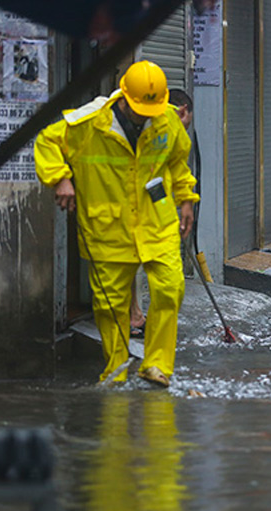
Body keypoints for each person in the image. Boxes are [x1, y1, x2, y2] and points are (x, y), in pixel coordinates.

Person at [35, 60, 198, 387]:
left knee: (170, 289)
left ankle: (157, 365)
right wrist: (60, 178)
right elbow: (46, 141)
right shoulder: (89, 123)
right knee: (111, 305)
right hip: (107, 226)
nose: (147, 115)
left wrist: (186, 200)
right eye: (141, 109)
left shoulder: (166, 119)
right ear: (123, 96)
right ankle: (117, 366)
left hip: (157, 221)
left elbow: (178, 161)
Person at [130, 87, 194, 338]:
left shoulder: (169, 134)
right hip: (130, 212)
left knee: (168, 281)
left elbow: (177, 169)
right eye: (185, 122)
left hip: (157, 213)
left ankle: (141, 319)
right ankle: (133, 317)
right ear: (182, 111)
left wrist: (185, 201)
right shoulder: (151, 126)